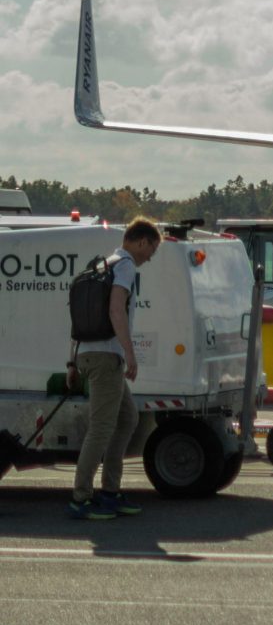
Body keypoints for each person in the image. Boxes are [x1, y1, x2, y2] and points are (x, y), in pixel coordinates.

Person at [67, 216, 159, 519]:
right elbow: (115, 309)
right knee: (102, 427)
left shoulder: (101, 265)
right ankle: (81, 498)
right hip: (107, 357)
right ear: (141, 241)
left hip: (89, 354)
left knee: (127, 418)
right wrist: (130, 354)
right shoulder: (125, 266)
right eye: (151, 250)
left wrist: (72, 362)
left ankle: (110, 491)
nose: (150, 258)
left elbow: (80, 318)